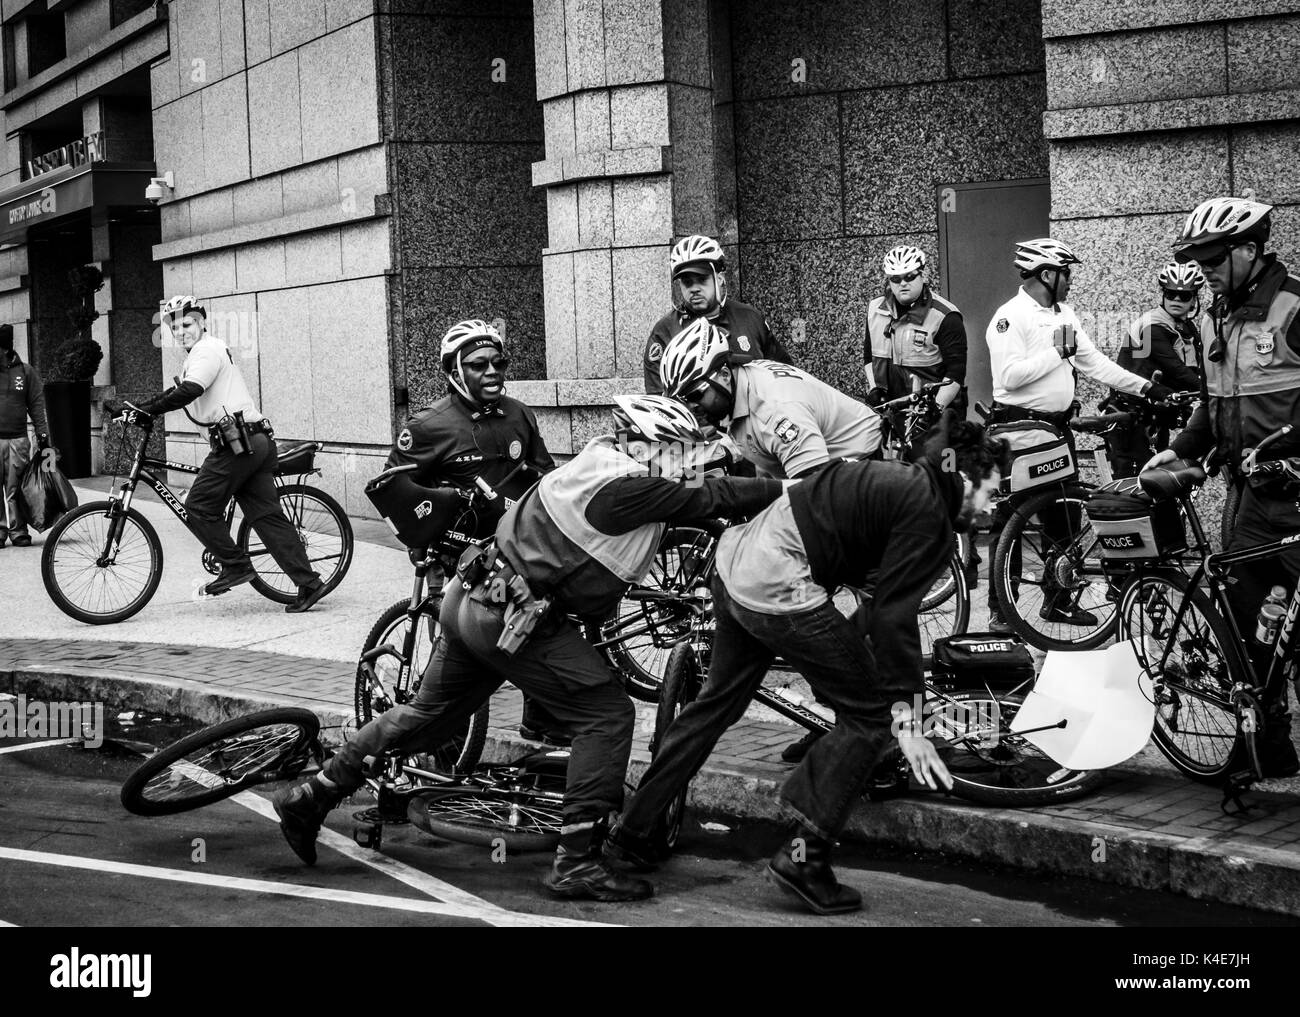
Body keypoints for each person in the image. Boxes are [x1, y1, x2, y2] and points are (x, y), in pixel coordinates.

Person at [273, 395, 787, 901]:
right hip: (512, 617)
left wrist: (721, 453)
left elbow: (695, 484)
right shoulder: (628, 489)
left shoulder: (601, 459)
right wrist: (794, 488)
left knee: (429, 714)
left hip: (471, 596)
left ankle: (312, 796)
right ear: (647, 446)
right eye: (677, 450)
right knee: (605, 714)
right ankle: (577, 864)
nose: (685, 460)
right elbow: (712, 496)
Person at [606, 417, 1006, 914]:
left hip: (736, 570)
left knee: (714, 706)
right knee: (871, 719)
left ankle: (633, 832)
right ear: (965, 480)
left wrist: (843, 657)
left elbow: (875, 609)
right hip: (777, 586)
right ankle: (803, 857)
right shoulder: (928, 513)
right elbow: (894, 619)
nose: (990, 508)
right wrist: (907, 715)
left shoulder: (898, 479)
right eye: (990, 492)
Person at [659, 317, 886, 762]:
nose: (692, 407)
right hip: (811, 472)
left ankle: (873, 732)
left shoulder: (773, 410)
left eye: (694, 395)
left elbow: (814, 495)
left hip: (853, 472)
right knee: (796, 605)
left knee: (822, 614)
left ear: (722, 374)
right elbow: (770, 471)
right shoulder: (733, 396)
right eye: (681, 399)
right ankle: (845, 720)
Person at [1144, 196, 1300, 777]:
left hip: (1295, 492)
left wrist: (1288, 449)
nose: (1203, 269)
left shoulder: (1295, 306)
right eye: (1197, 257)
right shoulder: (1215, 316)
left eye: (1212, 257)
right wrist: (1182, 448)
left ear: (1249, 250)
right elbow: (1215, 406)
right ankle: (1265, 747)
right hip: (1247, 498)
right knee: (1247, 626)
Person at [984, 238, 1173, 631]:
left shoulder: (1065, 314)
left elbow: (1097, 364)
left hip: (1055, 430)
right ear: (1047, 274)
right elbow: (1008, 377)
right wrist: (1057, 352)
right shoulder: (1010, 316)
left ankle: (1058, 602)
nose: (1070, 281)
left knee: (1065, 516)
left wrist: (1147, 388)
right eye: (1066, 274)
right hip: (1020, 430)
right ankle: (1002, 613)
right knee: (1011, 522)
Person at [390, 319, 563, 743]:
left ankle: (540, 720)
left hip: (516, 550)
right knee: (456, 653)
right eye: (479, 364)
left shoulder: (519, 413)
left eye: (498, 362)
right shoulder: (428, 426)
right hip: (456, 556)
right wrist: (420, 537)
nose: (492, 371)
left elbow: (545, 476)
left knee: (538, 624)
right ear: (455, 371)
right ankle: (442, 736)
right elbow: (394, 490)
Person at [121, 295, 326, 612]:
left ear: (202, 322)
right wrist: (137, 409)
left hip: (238, 445)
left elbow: (190, 390)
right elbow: (177, 390)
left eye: (187, 324)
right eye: (175, 327)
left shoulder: (208, 348)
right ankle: (310, 583)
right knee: (267, 518)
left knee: (199, 506)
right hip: (251, 443)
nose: (181, 331)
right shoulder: (200, 355)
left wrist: (149, 411)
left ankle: (235, 566)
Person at [642, 235, 793, 395]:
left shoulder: (750, 318)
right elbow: (658, 396)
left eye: (701, 279)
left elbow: (785, 375)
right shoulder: (665, 331)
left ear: (719, 278)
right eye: (687, 282)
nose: (694, 288)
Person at [1105, 263, 1205, 477]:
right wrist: (1213, 389)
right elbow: (1176, 369)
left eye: (1184, 296)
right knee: (1139, 483)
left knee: (1159, 479)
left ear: (1194, 299)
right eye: (1171, 294)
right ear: (1162, 295)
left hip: (1154, 416)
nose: (1177, 300)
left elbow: (1195, 367)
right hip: (1132, 417)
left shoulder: (1184, 326)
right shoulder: (1153, 326)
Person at [864, 245, 966, 413]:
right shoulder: (875, 310)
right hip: (891, 410)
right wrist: (875, 390)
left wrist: (935, 409)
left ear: (923, 275)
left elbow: (956, 372)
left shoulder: (945, 315)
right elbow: (869, 357)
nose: (903, 283)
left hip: (935, 411)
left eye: (910, 277)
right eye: (896, 279)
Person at [0, 323, 49, 548]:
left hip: (18, 439)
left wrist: (43, 436)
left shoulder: (25, 372)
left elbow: (37, 406)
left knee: (15, 488)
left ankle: (18, 530)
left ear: (6, 348)